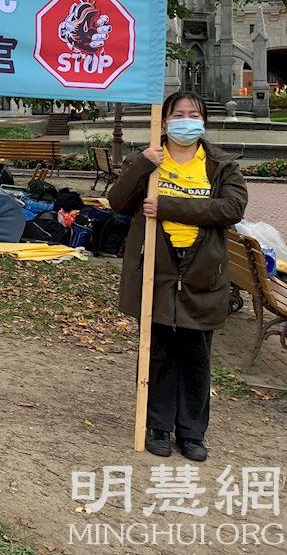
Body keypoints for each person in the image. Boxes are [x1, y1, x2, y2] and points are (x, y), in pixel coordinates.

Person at [108, 91, 247, 462]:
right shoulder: (150, 161)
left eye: (194, 114)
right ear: (164, 120)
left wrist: (168, 206)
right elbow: (118, 202)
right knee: (157, 353)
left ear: (204, 121)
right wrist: (142, 164)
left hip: (201, 273)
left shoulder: (220, 166)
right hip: (156, 270)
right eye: (178, 114)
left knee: (196, 356)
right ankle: (157, 425)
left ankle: (191, 432)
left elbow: (231, 208)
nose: (187, 121)